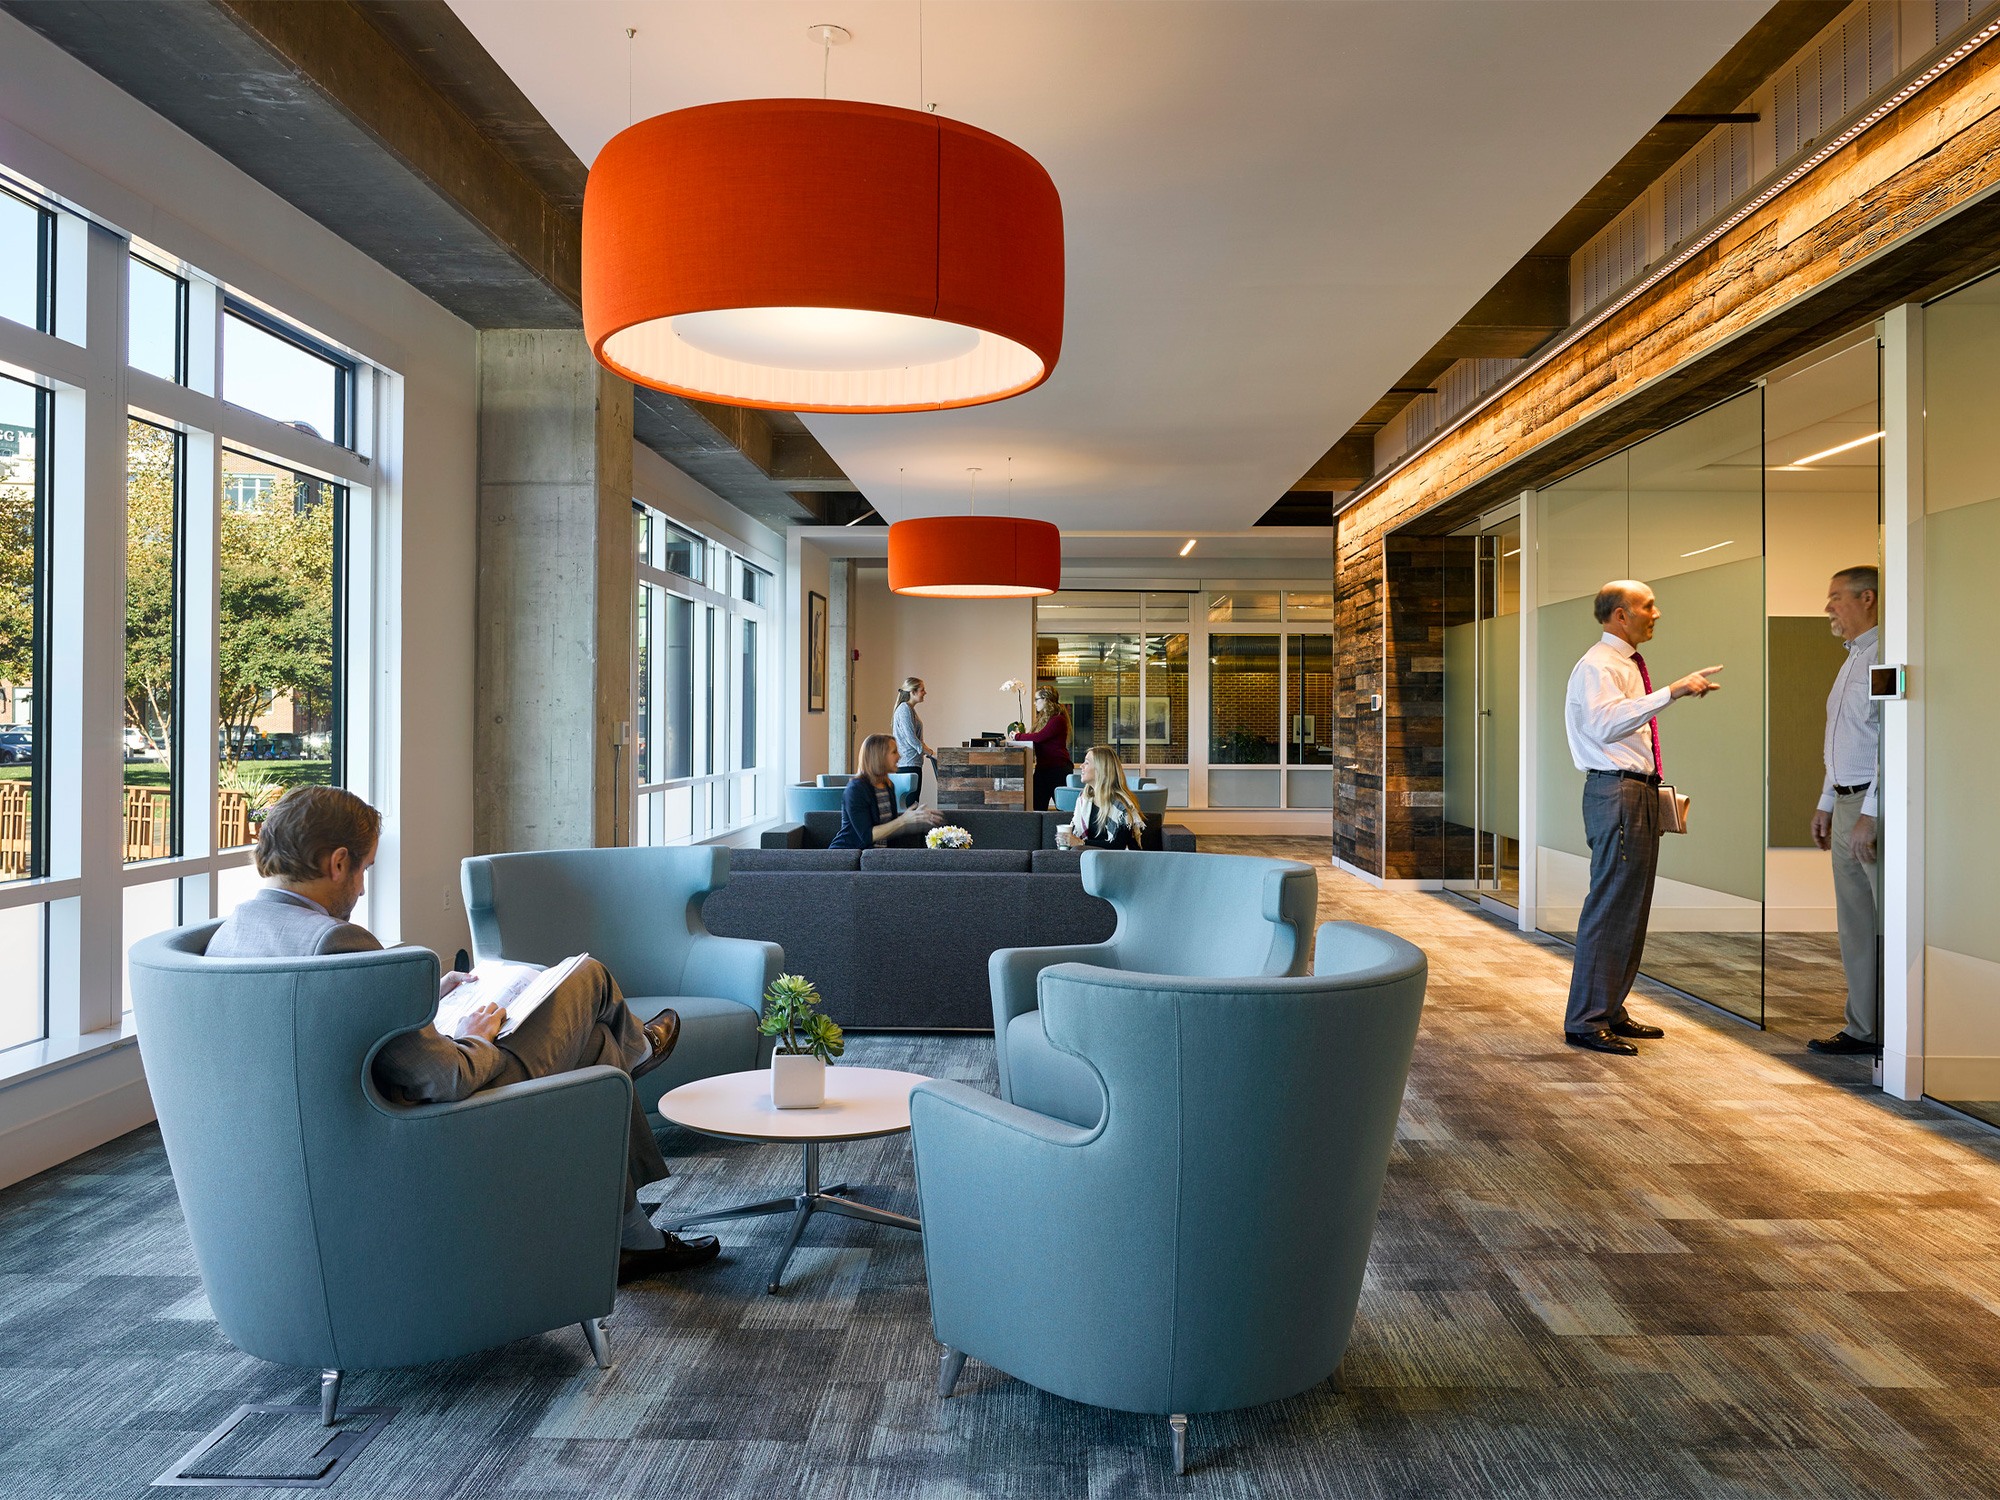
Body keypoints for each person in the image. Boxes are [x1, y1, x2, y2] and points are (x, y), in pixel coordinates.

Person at [206, 786, 719, 1282]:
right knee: (588, 981)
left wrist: (422, 998)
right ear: (337, 862)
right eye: (363, 869)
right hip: (437, 1122)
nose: (362, 888)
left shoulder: (230, 936)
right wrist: (476, 1035)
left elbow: (342, 1032)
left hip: (333, 1135)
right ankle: (640, 1051)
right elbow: (446, 1079)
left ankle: (633, 1233)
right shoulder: (337, 941)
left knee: (594, 1050)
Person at [1561, 581, 1725, 1055]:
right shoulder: (1598, 665)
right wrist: (1672, 692)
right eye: (1647, 606)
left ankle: (1609, 1008)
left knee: (1630, 906)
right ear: (1619, 615)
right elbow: (1605, 724)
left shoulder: (1624, 664)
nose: (1658, 612)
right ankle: (1587, 1021)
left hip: (1635, 792)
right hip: (1616, 791)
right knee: (1612, 904)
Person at [1807, 565, 1883, 1057]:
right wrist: (1827, 802)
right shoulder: (1851, 660)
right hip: (1846, 802)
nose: (1828, 607)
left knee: (1882, 919)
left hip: (1871, 808)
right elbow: (1844, 741)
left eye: (1837, 597)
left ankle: (1893, 1030)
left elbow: (1890, 743)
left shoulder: (1886, 656)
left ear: (1868, 598)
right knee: (1854, 921)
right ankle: (1863, 1029)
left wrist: (1870, 814)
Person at [829, 733, 944, 848]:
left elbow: (890, 828)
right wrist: (904, 820)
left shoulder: (887, 785)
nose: (899, 756)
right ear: (879, 756)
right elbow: (867, 836)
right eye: (894, 752)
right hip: (847, 855)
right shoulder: (856, 789)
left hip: (876, 855)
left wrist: (918, 822)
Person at [1068, 744, 1148, 850]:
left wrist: (1081, 843)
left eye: (1086, 763)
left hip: (1119, 861)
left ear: (1101, 769)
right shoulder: (1085, 799)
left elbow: (1118, 846)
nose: (1081, 766)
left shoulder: (1121, 806)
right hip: (1092, 858)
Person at [1012, 686, 1074, 811]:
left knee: (1063, 809)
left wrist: (1017, 736)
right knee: (1036, 807)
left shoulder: (1058, 719)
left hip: (1058, 770)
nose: (1034, 703)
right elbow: (1034, 736)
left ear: (1046, 700)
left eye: (1037, 699)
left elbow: (1040, 737)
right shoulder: (1044, 719)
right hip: (1044, 770)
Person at [892, 677, 931, 806]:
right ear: (912, 692)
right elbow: (911, 739)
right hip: (907, 764)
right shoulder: (904, 709)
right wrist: (930, 752)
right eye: (922, 690)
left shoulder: (910, 709)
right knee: (910, 807)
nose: (925, 692)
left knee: (913, 804)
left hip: (913, 763)